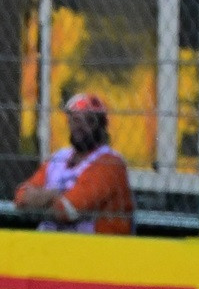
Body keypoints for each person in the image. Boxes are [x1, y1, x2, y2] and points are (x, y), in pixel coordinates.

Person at [13, 92, 134, 235]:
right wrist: (55, 195)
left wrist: (38, 200)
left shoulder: (110, 163)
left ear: (101, 126)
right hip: (50, 245)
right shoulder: (59, 157)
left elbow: (68, 210)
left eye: (88, 120)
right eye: (75, 120)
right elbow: (20, 197)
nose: (79, 126)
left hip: (95, 249)